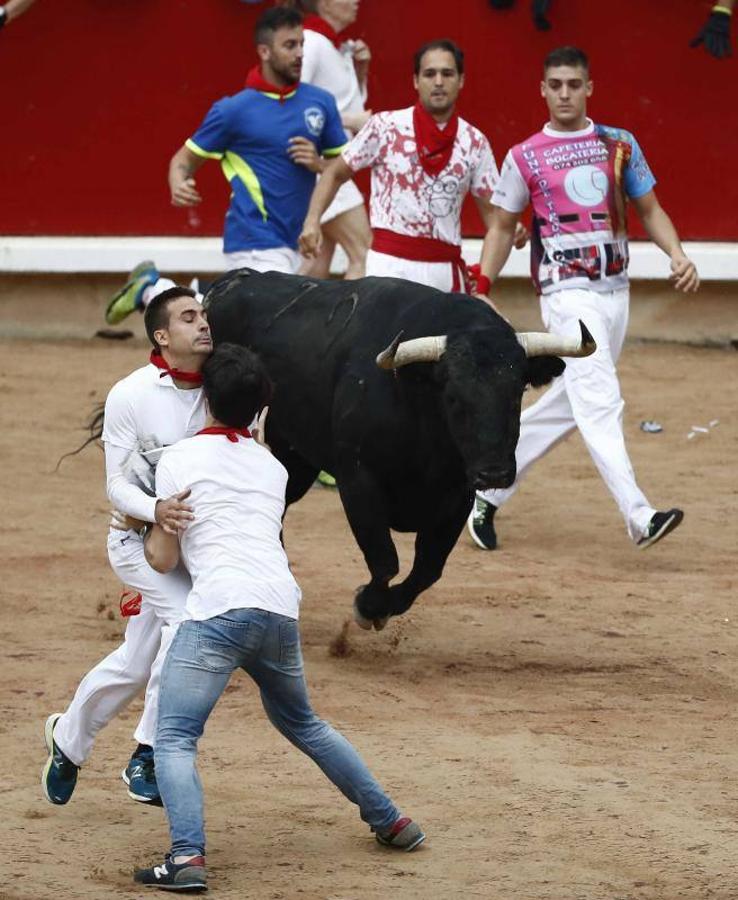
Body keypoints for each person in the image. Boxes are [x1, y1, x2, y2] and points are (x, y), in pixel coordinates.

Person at [132, 343, 425, 892]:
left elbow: (164, 559)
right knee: (306, 724)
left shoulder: (179, 458)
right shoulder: (272, 467)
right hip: (278, 610)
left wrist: (145, 519)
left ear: (204, 398)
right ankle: (391, 819)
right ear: (261, 406)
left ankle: (186, 856)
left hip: (218, 611)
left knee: (172, 737)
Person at [467, 46, 699, 553]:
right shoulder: (524, 155)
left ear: (589, 88)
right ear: (543, 90)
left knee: (574, 402)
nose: (565, 93)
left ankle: (483, 489)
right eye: (556, 84)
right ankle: (638, 515)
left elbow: (651, 209)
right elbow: (502, 226)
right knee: (600, 400)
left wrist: (678, 254)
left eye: (575, 84)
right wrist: (481, 285)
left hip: (616, 290)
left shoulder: (619, 144)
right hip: (566, 293)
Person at [42, 287, 211, 806]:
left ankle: (67, 741)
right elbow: (116, 486)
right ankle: (148, 754)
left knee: (136, 663)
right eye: (189, 318)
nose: (203, 324)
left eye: (204, 316)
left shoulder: (225, 383)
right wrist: (152, 510)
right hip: (137, 543)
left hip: (196, 548)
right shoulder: (131, 394)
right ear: (162, 337)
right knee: (186, 626)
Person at [105, 6, 347, 326]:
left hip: (299, 237)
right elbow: (183, 160)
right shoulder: (233, 111)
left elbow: (341, 165)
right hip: (253, 236)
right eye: (290, 46)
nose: (300, 53)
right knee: (274, 317)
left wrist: (317, 165)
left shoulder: (320, 102)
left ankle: (153, 290)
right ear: (264, 51)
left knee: (243, 317)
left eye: (301, 44)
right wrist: (179, 182)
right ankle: (157, 292)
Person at [300, 39, 515, 294]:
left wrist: (483, 284)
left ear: (461, 81)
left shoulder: (474, 142)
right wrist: (312, 221)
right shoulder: (385, 127)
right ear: (415, 81)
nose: (438, 82)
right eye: (429, 74)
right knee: (386, 335)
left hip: (444, 271)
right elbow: (335, 172)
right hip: (389, 267)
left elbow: (496, 221)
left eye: (447, 74)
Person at [295, 0, 373, 279]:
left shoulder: (333, 45)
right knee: (364, 254)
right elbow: (296, 102)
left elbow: (344, 103)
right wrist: (354, 121)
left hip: (330, 165)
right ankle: (353, 323)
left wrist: (361, 71)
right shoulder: (314, 42)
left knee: (313, 267)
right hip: (323, 167)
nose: (356, 2)